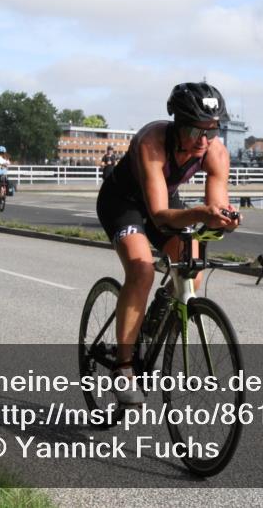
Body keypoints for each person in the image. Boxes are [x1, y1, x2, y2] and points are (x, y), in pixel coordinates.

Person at [96, 82, 239, 405]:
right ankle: (123, 366)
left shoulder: (214, 151)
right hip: (123, 203)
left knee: (193, 270)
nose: (203, 141)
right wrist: (201, 213)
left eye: (212, 131)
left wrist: (222, 218)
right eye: (194, 131)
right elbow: (160, 215)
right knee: (141, 269)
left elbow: (215, 205)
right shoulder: (152, 141)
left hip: (164, 200)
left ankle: (153, 325)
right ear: (176, 124)